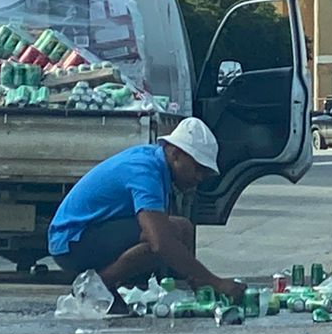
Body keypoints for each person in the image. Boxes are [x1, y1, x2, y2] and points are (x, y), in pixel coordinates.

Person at [47, 117, 242, 314]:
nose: (199, 178)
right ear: (175, 154)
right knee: (166, 234)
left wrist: (199, 281)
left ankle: (110, 286)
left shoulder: (155, 163)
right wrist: (216, 282)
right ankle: (95, 287)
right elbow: (161, 242)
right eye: (197, 168)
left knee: (182, 227)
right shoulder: (144, 170)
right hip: (71, 241)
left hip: (89, 233)